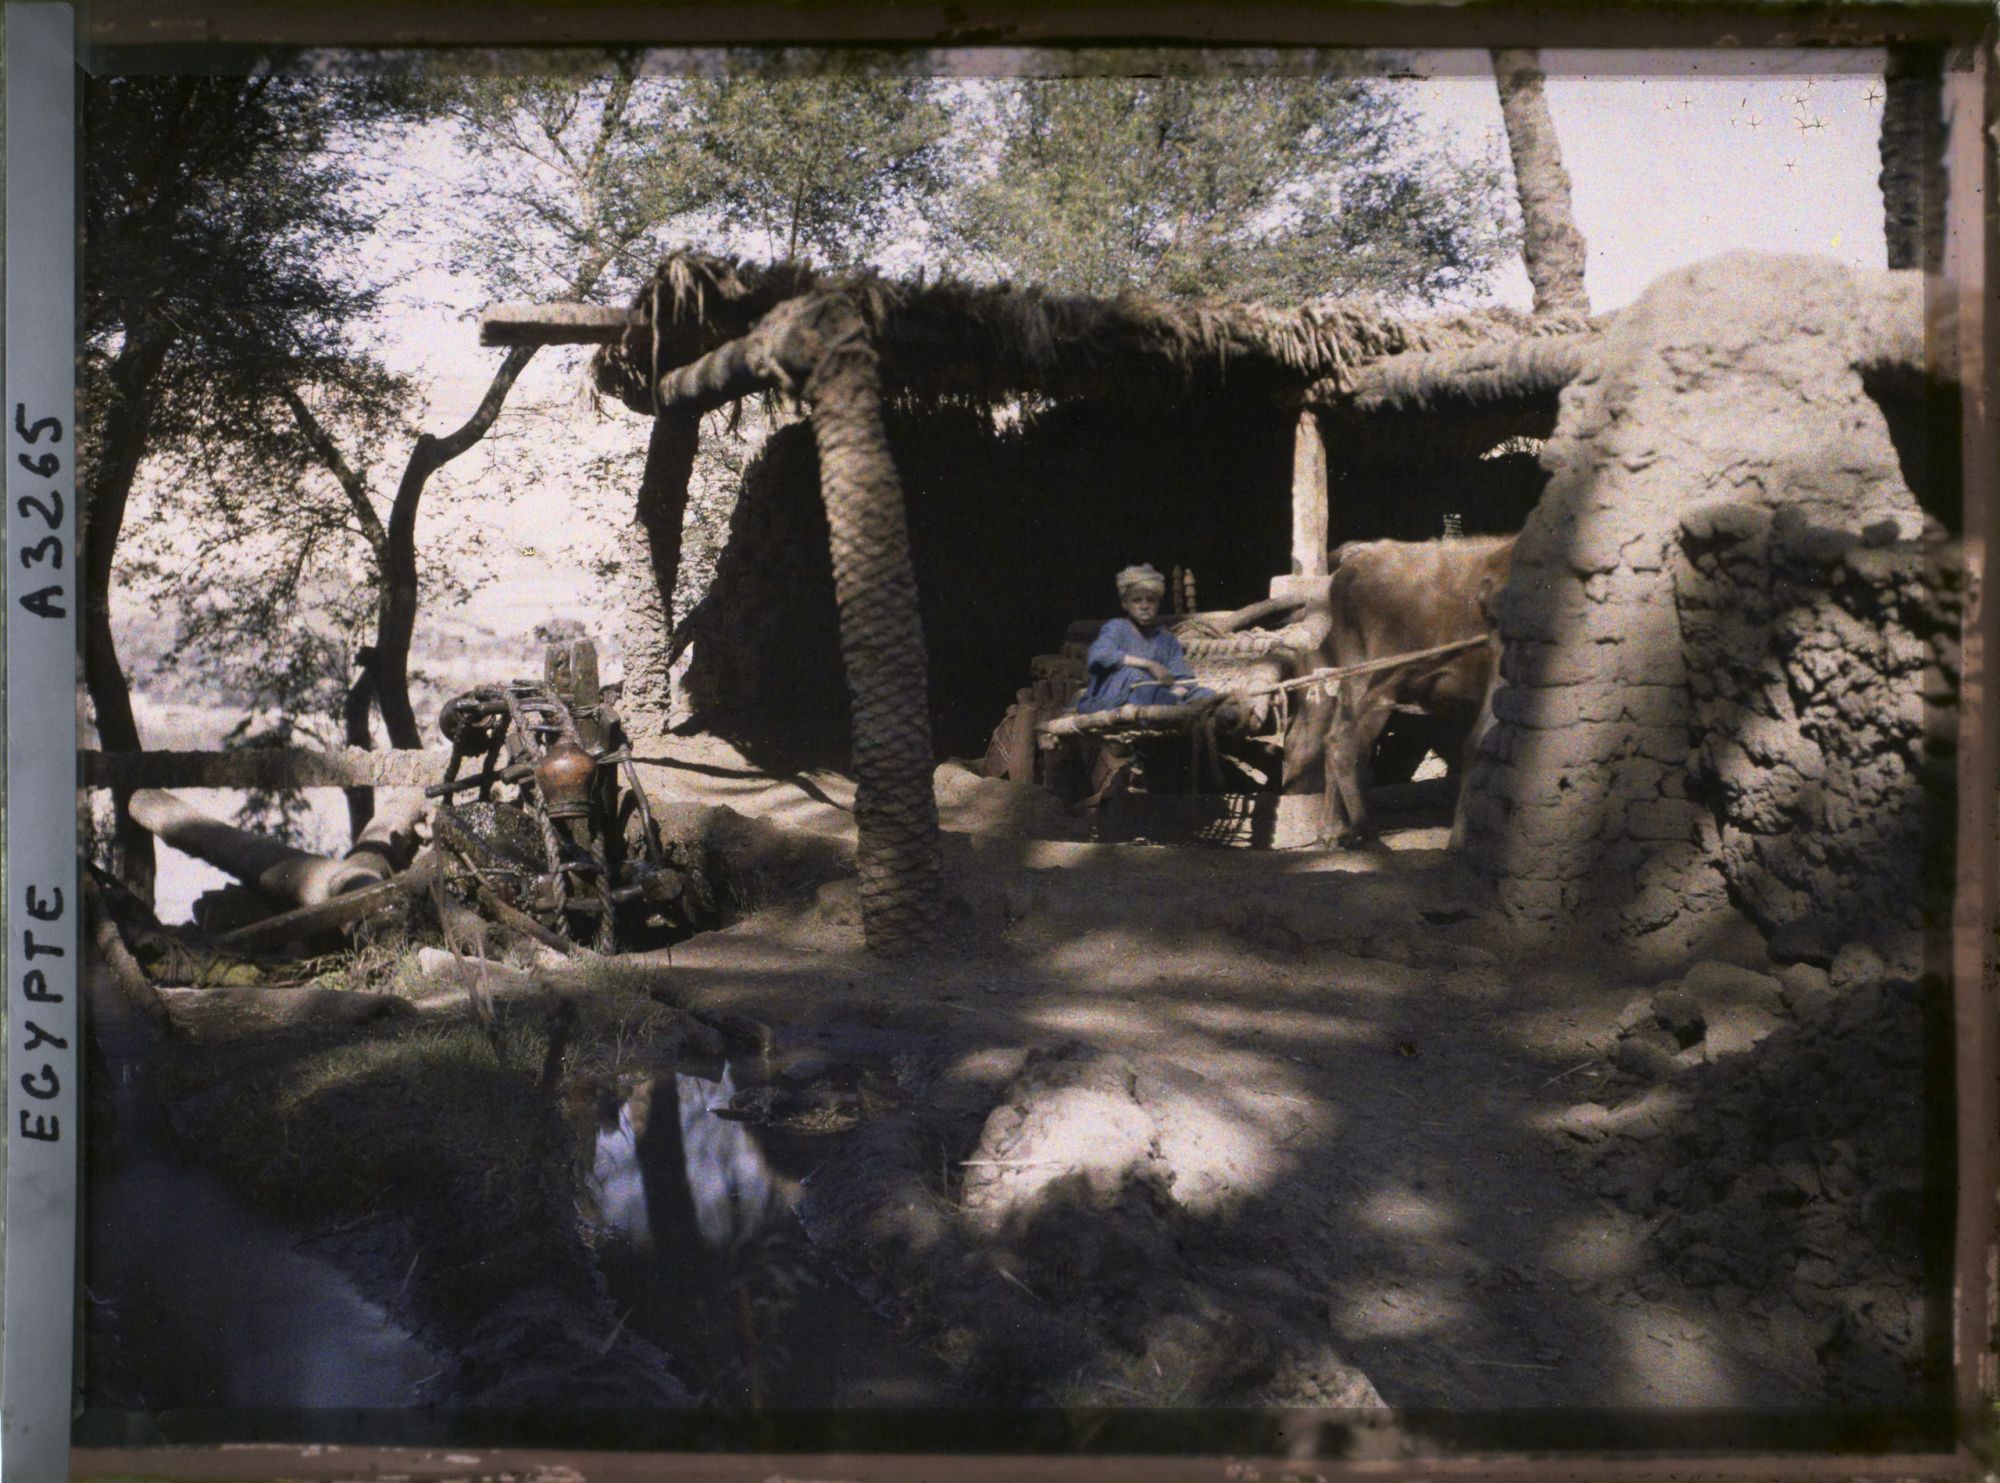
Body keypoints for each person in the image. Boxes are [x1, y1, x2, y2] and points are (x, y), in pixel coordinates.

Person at [1076, 564, 1218, 713]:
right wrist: (1149, 665)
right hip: (1116, 699)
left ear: (1158, 603)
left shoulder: (1167, 640)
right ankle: (1170, 705)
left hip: (1159, 697)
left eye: (1151, 600)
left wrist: (1173, 696)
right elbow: (1099, 655)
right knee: (1132, 675)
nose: (1144, 606)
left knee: (1205, 694)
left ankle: (1170, 707)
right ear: (1125, 604)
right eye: (1137, 600)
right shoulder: (1116, 628)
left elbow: (1183, 678)